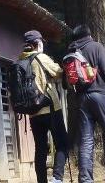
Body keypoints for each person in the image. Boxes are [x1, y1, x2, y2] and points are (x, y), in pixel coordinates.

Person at [64, 24, 105, 183]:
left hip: (81, 99)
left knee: (86, 139)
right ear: (89, 34)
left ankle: (85, 179)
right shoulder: (96, 46)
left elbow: (66, 82)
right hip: (99, 95)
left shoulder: (71, 52)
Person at [17, 30, 69, 183]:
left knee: (40, 148)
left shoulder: (20, 61)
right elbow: (59, 73)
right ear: (37, 43)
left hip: (33, 113)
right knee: (62, 143)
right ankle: (57, 178)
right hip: (50, 108)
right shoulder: (41, 57)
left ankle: (42, 181)